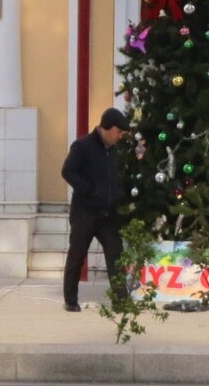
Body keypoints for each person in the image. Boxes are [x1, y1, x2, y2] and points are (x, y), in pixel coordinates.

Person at [61, 107, 129, 312]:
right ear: (107, 128)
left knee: (116, 256)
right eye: (119, 132)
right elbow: (68, 171)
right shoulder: (82, 146)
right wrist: (89, 190)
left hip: (109, 214)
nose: (120, 136)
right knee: (77, 254)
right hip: (85, 211)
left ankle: (121, 301)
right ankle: (71, 300)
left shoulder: (115, 151)